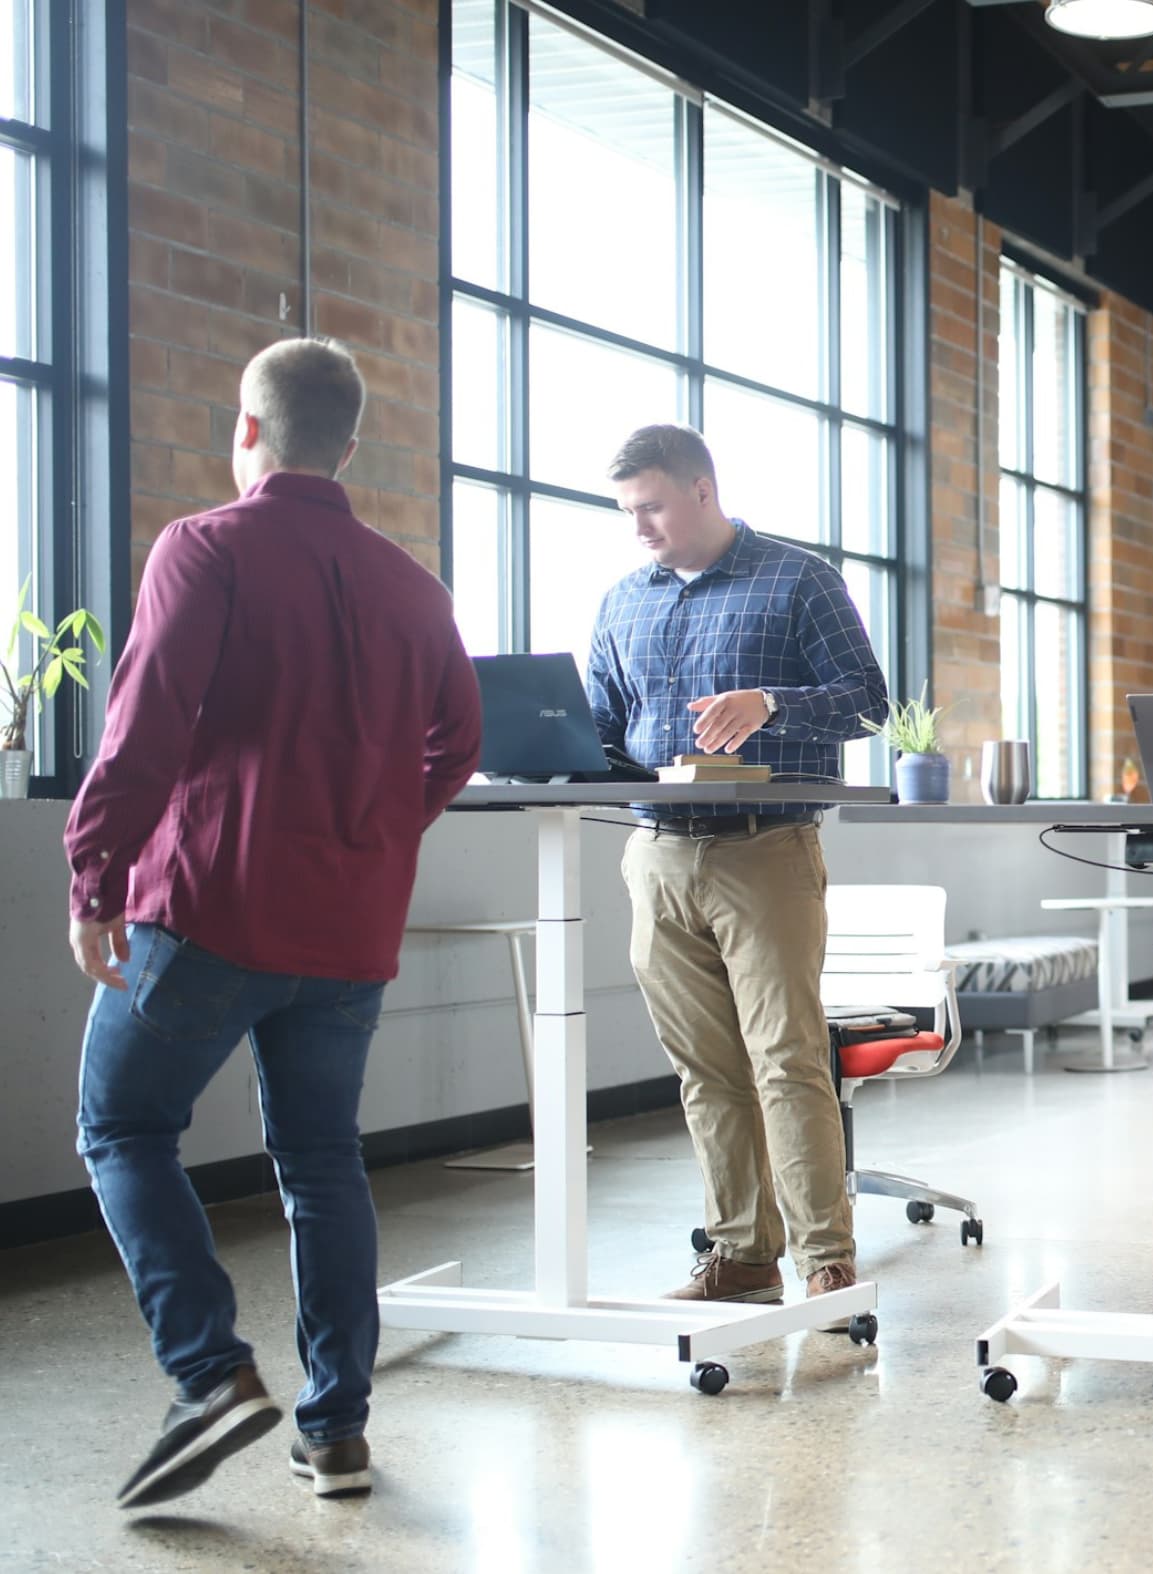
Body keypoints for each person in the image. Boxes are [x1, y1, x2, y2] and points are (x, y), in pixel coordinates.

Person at [66, 338, 483, 1507]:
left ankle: (210, 1372)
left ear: (245, 428)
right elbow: (462, 736)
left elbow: (144, 726)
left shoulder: (205, 545)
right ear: (349, 445)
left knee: (121, 1126)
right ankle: (335, 1431)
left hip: (211, 907)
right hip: (348, 930)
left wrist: (94, 874)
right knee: (321, 1161)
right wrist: (380, 826)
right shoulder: (413, 583)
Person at [587, 424, 887, 1317]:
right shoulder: (621, 602)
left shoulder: (799, 581)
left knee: (786, 1061)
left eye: (651, 506)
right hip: (657, 856)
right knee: (705, 1072)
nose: (638, 527)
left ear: (702, 490)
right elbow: (605, 727)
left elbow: (867, 705)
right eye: (626, 511)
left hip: (766, 850)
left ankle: (827, 1262)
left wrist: (772, 703)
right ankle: (742, 1255)